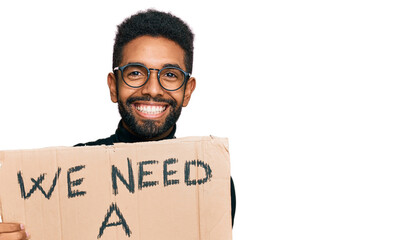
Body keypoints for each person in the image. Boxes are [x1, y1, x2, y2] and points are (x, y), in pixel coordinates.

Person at [0, 9, 235, 239]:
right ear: (114, 86)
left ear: (188, 91)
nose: (152, 89)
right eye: (135, 73)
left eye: (170, 75)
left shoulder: (208, 180)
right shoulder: (67, 176)